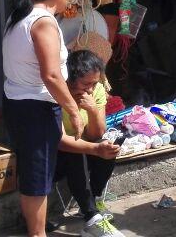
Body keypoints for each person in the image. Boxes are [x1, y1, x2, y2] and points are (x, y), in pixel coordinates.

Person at [2, 0, 85, 237]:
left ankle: (35, 231)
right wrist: (72, 109)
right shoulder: (42, 22)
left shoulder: (20, 15)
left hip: (19, 103)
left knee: (33, 174)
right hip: (35, 108)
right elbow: (50, 75)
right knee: (37, 178)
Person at [55, 50, 123, 237]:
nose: (91, 89)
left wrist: (92, 109)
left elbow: (96, 134)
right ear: (70, 79)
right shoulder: (55, 92)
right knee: (76, 148)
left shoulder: (97, 90)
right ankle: (91, 216)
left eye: (95, 83)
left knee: (108, 144)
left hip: (85, 148)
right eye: (86, 84)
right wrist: (93, 148)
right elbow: (60, 140)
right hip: (56, 156)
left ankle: (93, 200)